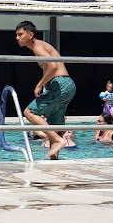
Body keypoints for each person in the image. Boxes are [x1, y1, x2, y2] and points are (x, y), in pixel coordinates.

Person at [15, 21, 76, 159]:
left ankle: (59, 140)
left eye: (20, 34)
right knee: (56, 125)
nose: (17, 38)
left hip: (60, 84)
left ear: (30, 35)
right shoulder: (40, 45)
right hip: (67, 85)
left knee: (29, 112)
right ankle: (55, 158)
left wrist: (39, 85)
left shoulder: (37, 46)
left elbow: (53, 67)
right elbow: (51, 67)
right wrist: (47, 84)